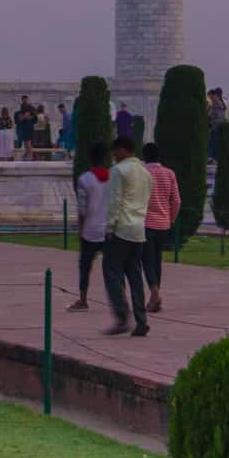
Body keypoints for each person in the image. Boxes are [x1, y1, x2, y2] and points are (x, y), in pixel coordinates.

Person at [98, 135, 152, 336]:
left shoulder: (119, 171)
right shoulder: (145, 173)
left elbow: (115, 201)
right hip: (138, 230)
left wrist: (110, 227)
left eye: (115, 152)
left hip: (121, 228)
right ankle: (141, 320)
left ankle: (122, 317)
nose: (114, 156)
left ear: (123, 150)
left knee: (112, 272)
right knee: (135, 276)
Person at [67, 141, 111, 311]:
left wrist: (80, 229)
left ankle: (83, 300)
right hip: (108, 230)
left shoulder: (85, 179)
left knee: (85, 267)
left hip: (90, 230)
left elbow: (82, 209)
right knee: (112, 269)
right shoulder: (112, 177)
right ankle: (118, 300)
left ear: (89, 159)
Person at [141, 141, 181, 313]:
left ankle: (155, 293)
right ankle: (154, 296)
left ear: (144, 157)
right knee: (157, 260)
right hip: (163, 224)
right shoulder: (169, 173)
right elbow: (177, 201)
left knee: (146, 260)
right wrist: (171, 220)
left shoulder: (142, 173)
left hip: (146, 223)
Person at [206, 88, 229, 160]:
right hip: (221, 123)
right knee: (216, 141)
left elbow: (213, 113)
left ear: (213, 94)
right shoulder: (222, 101)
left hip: (216, 124)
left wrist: (208, 117)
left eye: (209, 95)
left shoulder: (216, 101)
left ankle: (212, 157)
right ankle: (215, 157)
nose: (209, 97)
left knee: (213, 141)